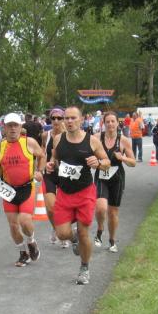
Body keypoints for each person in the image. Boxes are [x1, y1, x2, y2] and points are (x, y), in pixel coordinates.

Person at [45, 106, 111, 285]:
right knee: (61, 234)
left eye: (73, 118)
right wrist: (51, 164)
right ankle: (73, 238)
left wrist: (98, 163)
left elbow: (107, 161)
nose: (69, 121)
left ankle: (84, 268)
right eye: (66, 118)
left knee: (84, 233)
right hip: (64, 193)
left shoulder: (92, 141)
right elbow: (54, 158)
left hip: (85, 193)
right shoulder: (58, 139)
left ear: (81, 120)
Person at [0, 113, 45, 267]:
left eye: (15, 125)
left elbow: (42, 155)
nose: (13, 128)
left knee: (25, 221)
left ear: (21, 127)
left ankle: (31, 241)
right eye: (9, 125)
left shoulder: (29, 142)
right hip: (8, 189)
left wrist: (39, 171)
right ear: (4, 128)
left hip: (27, 187)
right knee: (13, 225)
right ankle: (23, 253)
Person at [93, 111, 136, 253]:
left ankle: (112, 240)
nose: (110, 124)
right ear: (103, 123)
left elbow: (133, 162)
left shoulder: (123, 140)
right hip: (101, 176)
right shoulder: (96, 138)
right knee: (100, 208)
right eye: (107, 121)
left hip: (117, 178)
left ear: (118, 123)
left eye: (113, 121)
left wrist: (122, 158)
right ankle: (100, 229)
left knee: (112, 212)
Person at [41, 106, 66, 246]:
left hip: (65, 174)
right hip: (50, 173)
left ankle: (64, 232)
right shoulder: (46, 135)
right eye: (53, 118)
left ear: (63, 119)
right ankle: (56, 229)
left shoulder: (69, 134)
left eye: (59, 118)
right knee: (51, 208)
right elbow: (42, 153)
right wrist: (41, 168)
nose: (56, 121)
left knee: (63, 207)